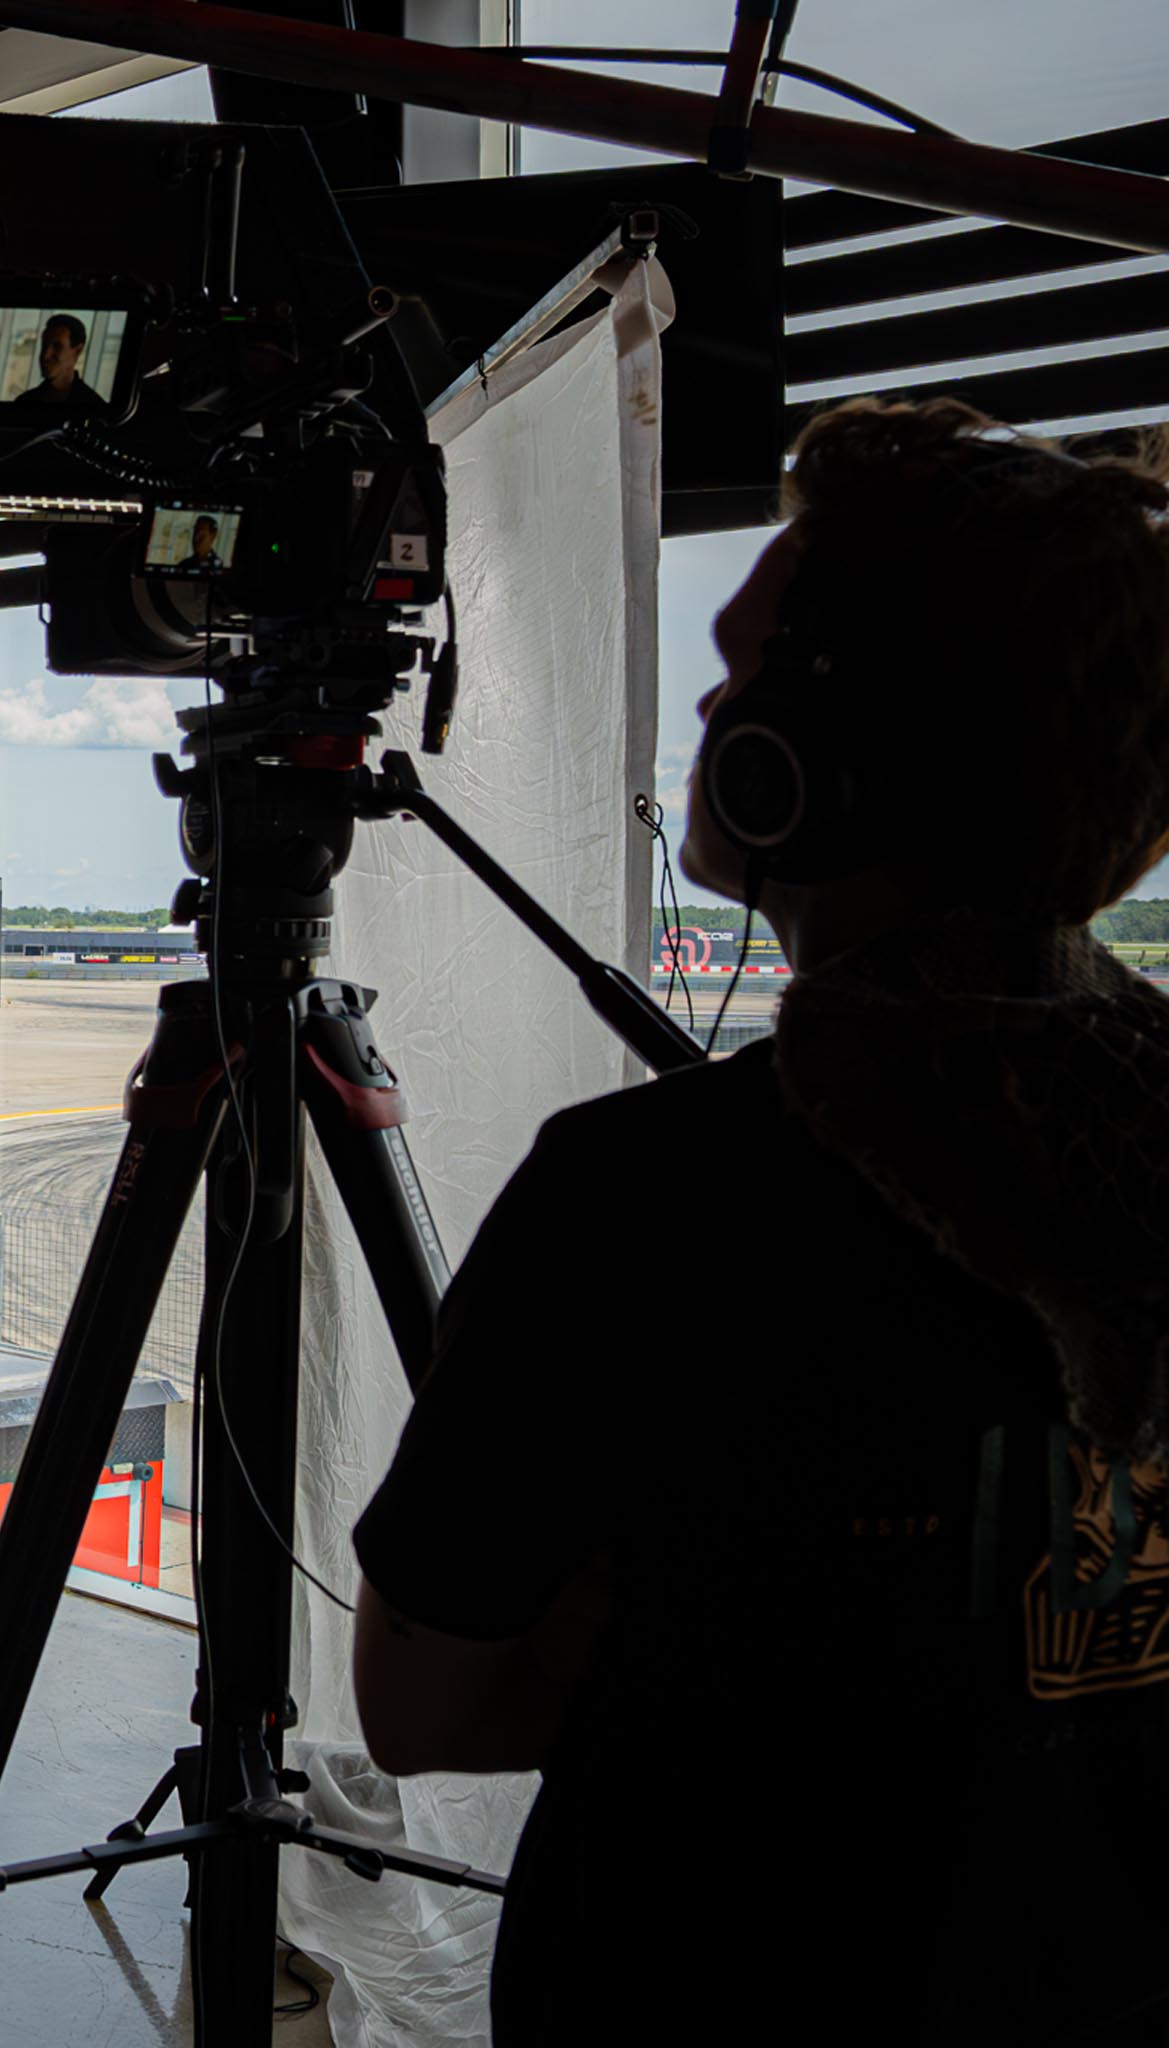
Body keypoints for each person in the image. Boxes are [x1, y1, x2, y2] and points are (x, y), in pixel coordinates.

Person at [349, 400, 1169, 2044]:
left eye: (746, 679)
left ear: (812, 766)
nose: (710, 709)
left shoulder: (642, 1195)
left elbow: (416, 1701)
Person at [14, 312, 107, 411]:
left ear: (77, 351)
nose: (45, 355)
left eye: (57, 347)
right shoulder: (24, 402)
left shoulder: (95, 408)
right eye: (44, 345)